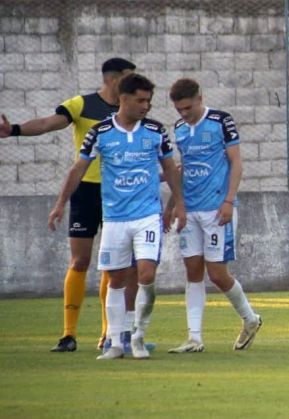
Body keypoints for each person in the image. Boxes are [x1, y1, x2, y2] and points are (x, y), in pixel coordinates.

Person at [0, 58, 140, 352]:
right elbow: (48, 123)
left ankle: (108, 334)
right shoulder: (82, 104)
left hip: (121, 193)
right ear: (114, 80)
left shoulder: (132, 111)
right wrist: (13, 129)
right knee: (80, 260)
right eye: (130, 78)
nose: (134, 84)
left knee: (113, 265)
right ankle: (68, 334)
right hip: (86, 191)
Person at [48, 73, 186, 360]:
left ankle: (137, 336)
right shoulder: (99, 133)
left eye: (149, 100)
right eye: (141, 100)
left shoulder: (156, 131)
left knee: (146, 274)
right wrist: (60, 203)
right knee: (115, 279)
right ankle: (115, 341)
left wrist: (177, 205)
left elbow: (171, 169)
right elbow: (78, 170)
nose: (146, 106)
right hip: (114, 218)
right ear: (123, 99)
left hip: (146, 215)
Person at [164, 78, 262, 354]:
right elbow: (182, 169)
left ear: (199, 98)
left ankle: (250, 319)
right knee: (192, 270)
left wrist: (229, 201)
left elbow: (236, 162)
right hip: (191, 210)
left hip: (217, 209)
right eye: (178, 109)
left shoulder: (221, 121)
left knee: (217, 274)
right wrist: (173, 204)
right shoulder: (180, 129)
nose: (183, 114)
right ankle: (194, 338)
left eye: (187, 107)